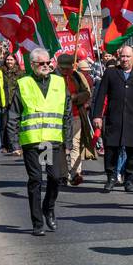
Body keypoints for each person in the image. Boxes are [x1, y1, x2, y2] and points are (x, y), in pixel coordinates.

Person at [8, 48, 71, 236]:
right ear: (33, 65)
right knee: (35, 180)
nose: (46, 66)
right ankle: (37, 223)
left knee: (54, 177)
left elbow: (67, 115)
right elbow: (13, 115)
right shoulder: (24, 84)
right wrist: (14, 143)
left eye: (48, 63)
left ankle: (48, 208)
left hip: (51, 142)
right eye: (41, 63)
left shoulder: (60, 83)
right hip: (32, 142)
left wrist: (68, 143)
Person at [91, 45, 133, 193]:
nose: (125, 60)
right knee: (111, 149)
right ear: (118, 57)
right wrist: (97, 115)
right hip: (114, 117)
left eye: (128, 57)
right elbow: (101, 94)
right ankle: (111, 178)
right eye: (122, 56)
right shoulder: (110, 73)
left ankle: (130, 180)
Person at [55, 53, 94, 186]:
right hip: (58, 118)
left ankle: (75, 173)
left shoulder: (77, 76)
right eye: (63, 68)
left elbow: (87, 93)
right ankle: (62, 174)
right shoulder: (52, 78)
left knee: (75, 144)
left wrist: (75, 97)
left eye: (68, 68)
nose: (66, 71)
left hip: (75, 115)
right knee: (60, 146)